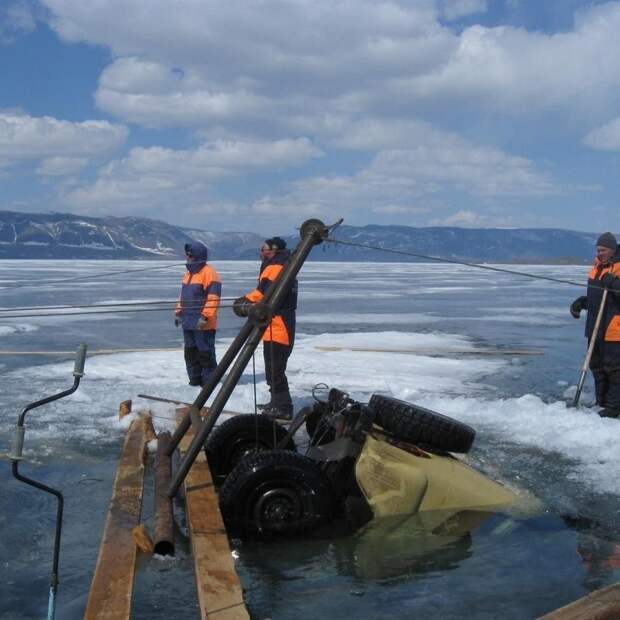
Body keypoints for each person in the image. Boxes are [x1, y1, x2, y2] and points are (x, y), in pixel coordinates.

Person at [234, 237, 297, 420]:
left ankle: (283, 407)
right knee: (272, 368)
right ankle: (276, 402)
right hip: (276, 325)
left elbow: (264, 293)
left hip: (279, 327)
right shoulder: (283, 265)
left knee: (275, 370)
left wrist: (245, 300)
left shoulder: (275, 267)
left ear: (273, 250)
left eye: (264, 248)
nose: (261, 252)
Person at [570, 232, 620, 417]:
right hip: (595, 326)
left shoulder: (618, 267)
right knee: (596, 366)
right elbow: (596, 296)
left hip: (614, 329)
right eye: (598, 250)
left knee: (613, 369)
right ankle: (602, 403)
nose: (599, 253)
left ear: (612, 250)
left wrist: (614, 283)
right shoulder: (597, 268)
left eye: (603, 250)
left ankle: (615, 407)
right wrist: (581, 303)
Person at [175, 241, 222, 386]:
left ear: (197, 255)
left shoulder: (210, 273)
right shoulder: (188, 274)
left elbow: (213, 298)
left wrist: (205, 316)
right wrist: (178, 311)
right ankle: (194, 379)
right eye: (187, 254)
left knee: (205, 353)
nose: (187, 257)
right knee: (190, 353)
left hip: (203, 323)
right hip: (188, 321)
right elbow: (183, 296)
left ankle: (208, 383)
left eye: (190, 254)